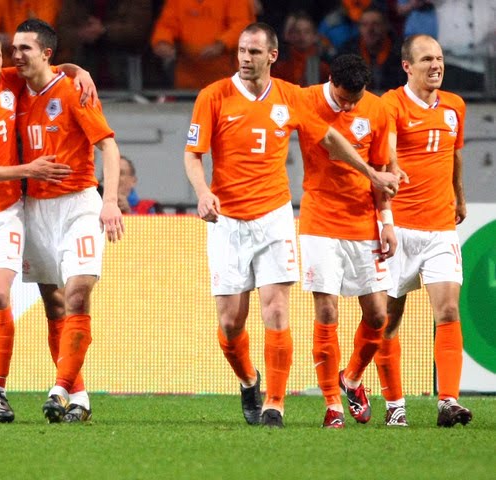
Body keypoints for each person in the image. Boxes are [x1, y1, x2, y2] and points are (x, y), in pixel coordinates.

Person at [184, 22, 399, 428]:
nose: (245, 58)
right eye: (242, 51)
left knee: (278, 310)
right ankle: (249, 380)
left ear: (272, 56)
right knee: (230, 324)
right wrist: (202, 192)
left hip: (274, 216)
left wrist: (372, 172)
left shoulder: (288, 96)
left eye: (253, 52)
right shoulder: (213, 96)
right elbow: (193, 155)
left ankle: (275, 404)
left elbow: (331, 139)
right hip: (227, 220)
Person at [0, 27, 91, 423]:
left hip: (7, 212)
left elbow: (49, 65)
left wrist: (79, 71)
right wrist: (29, 169)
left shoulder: (9, 80)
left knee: (1, 297)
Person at [11, 18, 125, 423]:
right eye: (14, 48)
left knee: (77, 293)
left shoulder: (74, 89)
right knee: (53, 305)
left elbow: (108, 147)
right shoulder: (12, 88)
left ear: (46, 53)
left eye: (25, 48)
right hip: (34, 210)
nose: (16, 55)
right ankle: (79, 398)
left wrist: (108, 201)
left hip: (78, 205)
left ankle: (58, 389)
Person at [377, 34, 472, 427]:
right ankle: (394, 403)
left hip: (439, 227)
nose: (436, 65)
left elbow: (455, 155)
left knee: (448, 310)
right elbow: (388, 151)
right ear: (407, 66)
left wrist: (460, 198)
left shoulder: (454, 106)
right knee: (387, 319)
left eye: (440, 58)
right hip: (398, 228)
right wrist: (394, 169)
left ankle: (448, 401)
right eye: (427, 59)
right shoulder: (390, 104)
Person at [297, 54, 396, 429]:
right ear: (330, 80)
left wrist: (386, 221)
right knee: (327, 312)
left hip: (363, 223)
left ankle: (351, 378)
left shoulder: (377, 109)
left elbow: (383, 173)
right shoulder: (308, 101)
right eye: (344, 98)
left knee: (377, 315)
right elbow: (335, 146)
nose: (351, 106)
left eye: (357, 98)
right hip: (320, 219)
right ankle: (332, 406)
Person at [151, 0, 256, 89]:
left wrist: (221, 45)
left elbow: (242, 25)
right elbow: (166, 24)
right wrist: (162, 41)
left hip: (227, 77)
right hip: (187, 78)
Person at [338, 8, 405, 91]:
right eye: (364, 25)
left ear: (386, 26)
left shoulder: (402, 52)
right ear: (359, 28)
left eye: (376, 24)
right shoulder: (348, 52)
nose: (370, 29)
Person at [272, 11, 331, 86]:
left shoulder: (325, 63)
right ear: (289, 35)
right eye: (297, 32)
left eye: (307, 32)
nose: (302, 36)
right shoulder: (280, 63)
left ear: (314, 35)